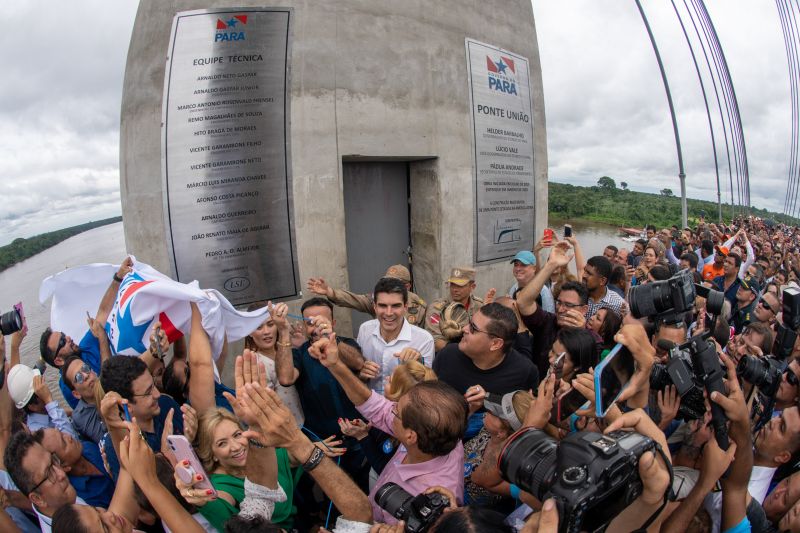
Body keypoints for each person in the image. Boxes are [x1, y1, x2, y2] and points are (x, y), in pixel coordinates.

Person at [312, 333, 468, 524]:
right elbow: (373, 405)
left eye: (396, 411)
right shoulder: (440, 432)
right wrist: (335, 365)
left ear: (410, 436)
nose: (389, 409)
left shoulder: (426, 503)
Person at [40, 258, 132, 409]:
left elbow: (103, 313)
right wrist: (102, 338)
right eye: (62, 342)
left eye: (63, 335)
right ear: (58, 360)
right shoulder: (68, 385)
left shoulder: (84, 346)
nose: (68, 338)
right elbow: (105, 392)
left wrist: (118, 277)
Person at [431, 303, 539, 407]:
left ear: (495, 344)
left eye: (473, 328)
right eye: (469, 322)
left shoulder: (525, 372)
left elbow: (524, 412)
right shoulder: (448, 355)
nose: (464, 329)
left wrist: (489, 401)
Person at [98, 355, 184, 479]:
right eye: (148, 392)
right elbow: (139, 489)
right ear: (126, 405)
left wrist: (193, 437)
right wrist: (165, 457)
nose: (157, 394)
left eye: (153, 385)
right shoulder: (118, 446)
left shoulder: (165, 404)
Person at [356, 277, 435, 395]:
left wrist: (417, 364)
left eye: (395, 306)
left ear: (405, 307)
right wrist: (361, 374)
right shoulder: (365, 330)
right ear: (374, 307)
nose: (389, 313)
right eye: (383, 306)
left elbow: (425, 388)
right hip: (368, 403)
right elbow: (357, 374)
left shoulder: (424, 340)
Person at [3, 431, 86, 532]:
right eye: (49, 474)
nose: (61, 474)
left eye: (53, 461)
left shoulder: (63, 500)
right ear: (37, 499)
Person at [244, 301, 304, 426]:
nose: (266, 331)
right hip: (282, 430)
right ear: (249, 331)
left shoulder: (286, 352)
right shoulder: (254, 362)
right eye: (259, 327)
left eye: (271, 324)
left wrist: (299, 348)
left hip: (303, 424)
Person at [307, 264, 428, 326]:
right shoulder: (377, 299)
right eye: (387, 281)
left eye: (396, 283)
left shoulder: (419, 307)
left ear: (407, 286)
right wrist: (330, 292)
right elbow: (354, 300)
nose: (389, 312)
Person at [36, 427, 114, 508]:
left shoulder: (87, 446)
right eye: (64, 443)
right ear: (64, 466)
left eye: (62, 433)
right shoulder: (84, 497)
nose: (69, 437)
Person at [7, 364, 78, 440]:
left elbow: (57, 415)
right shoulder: (38, 432)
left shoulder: (43, 412)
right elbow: (72, 440)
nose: (46, 390)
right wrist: (48, 400)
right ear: (32, 406)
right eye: (41, 391)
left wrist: (72, 413)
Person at [426, 267, 484, 351]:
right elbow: (435, 340)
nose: (455, 289)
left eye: (460, 286)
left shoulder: (478, 305)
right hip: (447, 353)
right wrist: (461, 351)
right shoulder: (437, 308)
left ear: (472, 287)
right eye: (452, 285)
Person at [60, 355, 106, 444]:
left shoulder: (112, 379)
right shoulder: (81, 418)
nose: (86, 376)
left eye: (85, 368)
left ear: (93, 371)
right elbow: (105, 438)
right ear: (76, 394)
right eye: (78, 377)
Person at [582, 255, 624, 320]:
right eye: (584, 271)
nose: (583, 275)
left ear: (602, 281)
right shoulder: (578, 294)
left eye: (589, 273)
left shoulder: (617, 304)